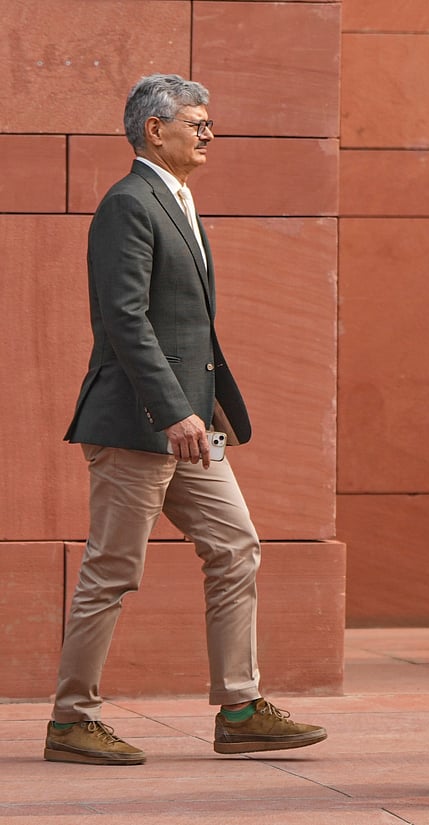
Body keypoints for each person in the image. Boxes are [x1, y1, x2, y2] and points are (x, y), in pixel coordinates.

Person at [46, 74, 326, 766]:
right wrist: (173, 410)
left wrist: (199, 409)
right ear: (154, 130)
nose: (208, 134)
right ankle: (71, 719)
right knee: (111, 570)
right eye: (196, 123)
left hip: (191, 426)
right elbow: (126, 318)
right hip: (138, 425)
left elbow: (187, 323)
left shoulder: (178, 200)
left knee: (235, 545)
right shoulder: (129, 203)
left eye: (208, 123)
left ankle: (238, 708)